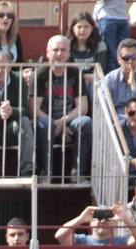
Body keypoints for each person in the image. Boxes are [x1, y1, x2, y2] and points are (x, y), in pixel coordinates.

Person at [35, 34, 93, 178]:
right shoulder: (40, 74)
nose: (59, 54)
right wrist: (54, 124)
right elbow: (34, 109)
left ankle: (77, 174)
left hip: (69, 121)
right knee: (44, 123)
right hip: (46, 122)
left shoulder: (75, 73)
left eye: (63, 50)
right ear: (47, 52)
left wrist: (63, 121)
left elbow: (83, 107)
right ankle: (45, 174)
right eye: (55, 50)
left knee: (85, 122)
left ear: (69, 53)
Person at [102, 38, 136, 114]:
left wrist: (134, 87)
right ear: (119, 60)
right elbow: (105, 109)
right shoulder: (110, 79)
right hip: (117, 119)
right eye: (126, 58)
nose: (130, 61)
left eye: (133, 58)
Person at [55, 203, 136, 244]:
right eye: (98, 217)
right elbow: (60, 236)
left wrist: (126, 219)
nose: (103, 221)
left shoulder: (121, 241)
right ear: (90, 223)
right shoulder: (82, 241)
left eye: (107, 218)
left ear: (114, 223)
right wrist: (81, 219)